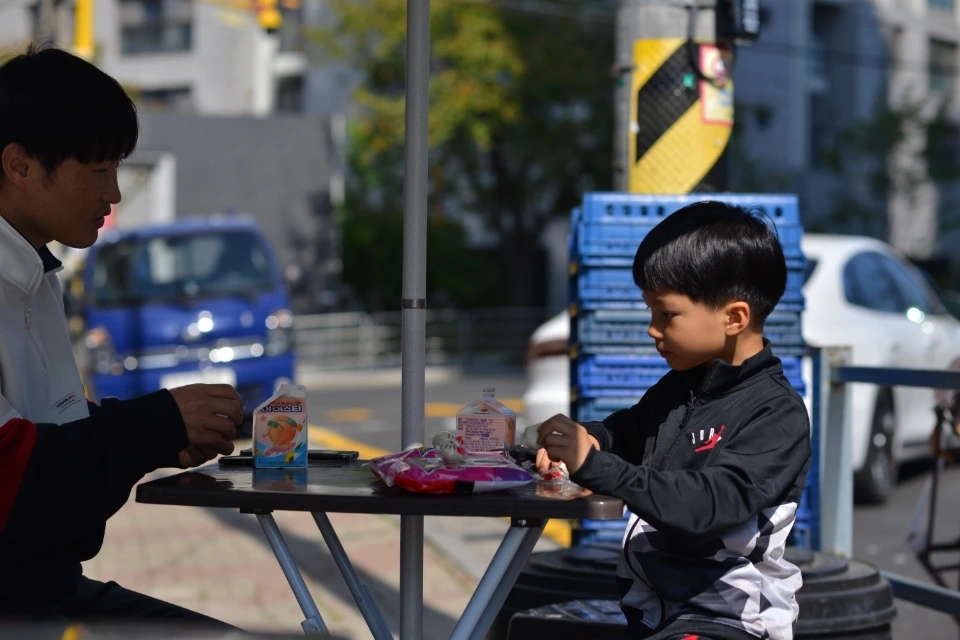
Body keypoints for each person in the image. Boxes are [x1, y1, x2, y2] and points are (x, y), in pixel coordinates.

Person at [0, 45, 241, 629]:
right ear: (20, 166)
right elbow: (14, 473)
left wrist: (163, 440)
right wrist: (154, 424)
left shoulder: (35, 273)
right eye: (97, 170)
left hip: (47, 586)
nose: (113, 194)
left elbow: (53, 426)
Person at [537, 202, 812, 640]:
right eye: (651, 312)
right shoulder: (680, 387)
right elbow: (626, 432)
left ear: (734, 317)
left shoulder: (776, 414)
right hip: (655, 609)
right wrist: (589, 438)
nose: (652, 329)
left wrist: (596, 466)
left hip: (729, 621)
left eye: (666, 314)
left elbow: (704, 507)